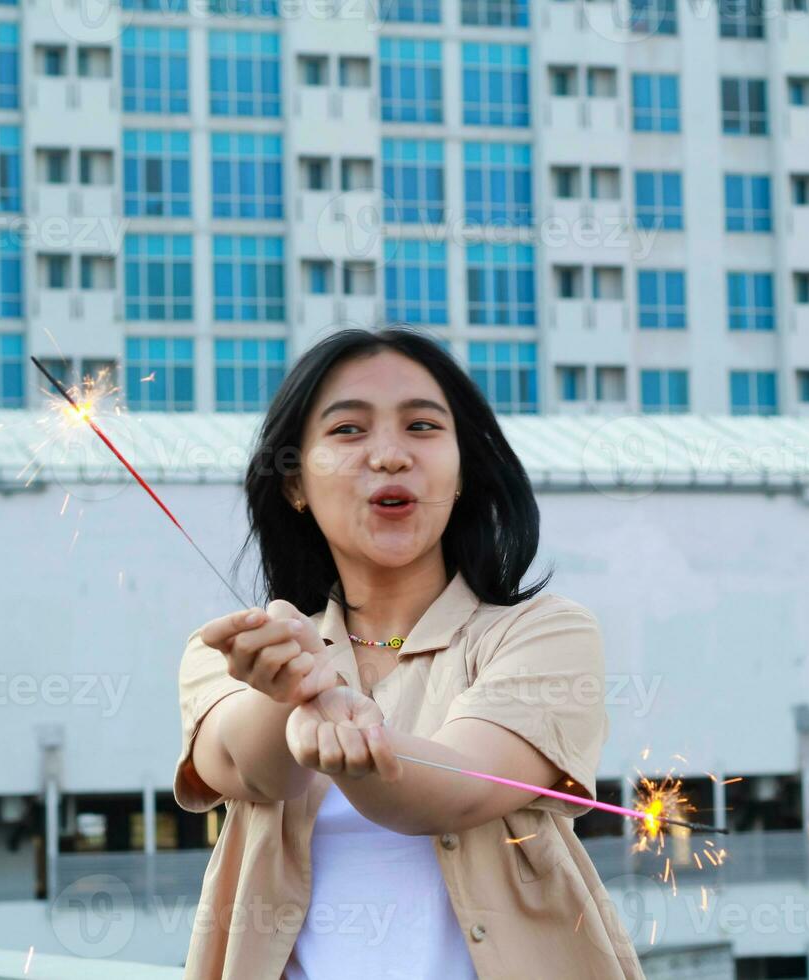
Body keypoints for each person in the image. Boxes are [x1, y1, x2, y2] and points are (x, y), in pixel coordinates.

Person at [172, 327, 644, 979]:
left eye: (422, 427)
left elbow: (453, 792)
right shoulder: (237, 651)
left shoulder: (544, 634)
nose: (391, 456)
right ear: (294, 484)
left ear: (462, 474)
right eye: (347, 431)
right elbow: (255, 772)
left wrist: (349, 728)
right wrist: (284, 695)